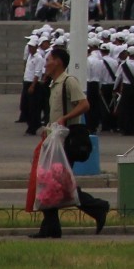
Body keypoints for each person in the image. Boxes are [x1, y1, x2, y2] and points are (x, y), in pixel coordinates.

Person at [32, 45, 111, 238]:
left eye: (49, 59)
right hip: (54, 138)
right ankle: (51, 227)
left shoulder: (69, 81)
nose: (46, 63)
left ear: (58, 61)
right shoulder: (54, 84)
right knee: (51, 182)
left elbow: (84, 105)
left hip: (66, 140)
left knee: (57, 182)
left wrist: (64, 118)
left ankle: (98, 207)